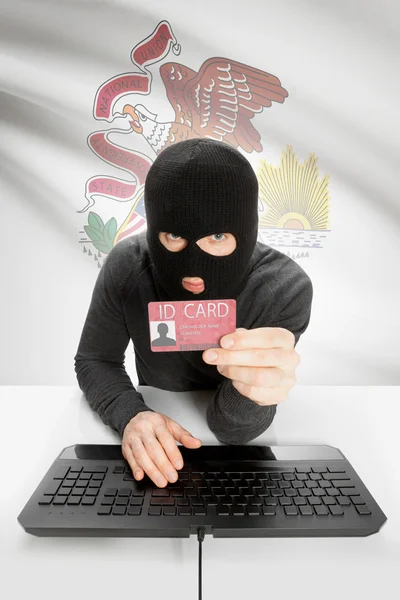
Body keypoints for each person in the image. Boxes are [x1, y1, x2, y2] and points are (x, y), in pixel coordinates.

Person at [74, 138, 313, 489]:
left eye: (217, 235)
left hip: (241, 458)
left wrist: (252, 392)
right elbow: (95, 360)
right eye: (173, 235)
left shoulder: (282, 287)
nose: (192, 266)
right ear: (155, 228)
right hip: (153, 442)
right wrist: (131, 415)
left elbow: (232, 430)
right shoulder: (127, 265)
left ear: (245, 231)